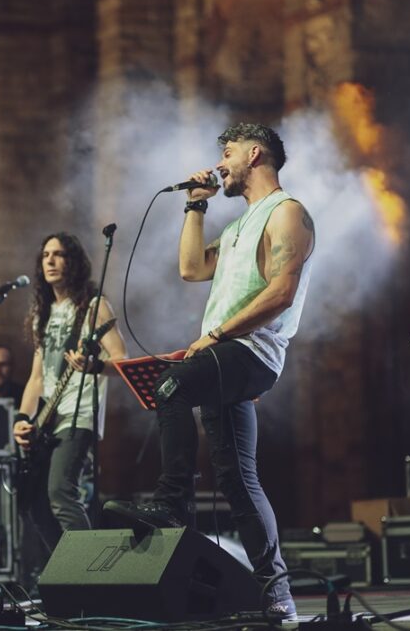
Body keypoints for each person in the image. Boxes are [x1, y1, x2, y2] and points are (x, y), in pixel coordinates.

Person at [106, 123, 314, 621]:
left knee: (170, 384)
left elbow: (281, 293)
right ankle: (276, 591)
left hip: (251, 350)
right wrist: (196, 204)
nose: (220, 162)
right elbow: (191, 269)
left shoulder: (287, 213)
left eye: (227, 153)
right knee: (238, 478)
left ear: (255, 153)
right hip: (229, 354)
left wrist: (216, 337)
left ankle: (172, 502)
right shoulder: (239, 225)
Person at [13, 232, 128, 554]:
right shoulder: (43, 314)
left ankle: (89, 576)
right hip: (47, 418)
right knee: (34, 504)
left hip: (80, 412)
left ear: (73, 262)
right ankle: (64, 572)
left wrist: (93, 366)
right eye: (46, 254)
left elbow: (122, 360)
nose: (50, 260)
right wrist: (23, 418)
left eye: (59, 254)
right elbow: (37, 378)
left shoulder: (93, 307)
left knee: (61, 492)